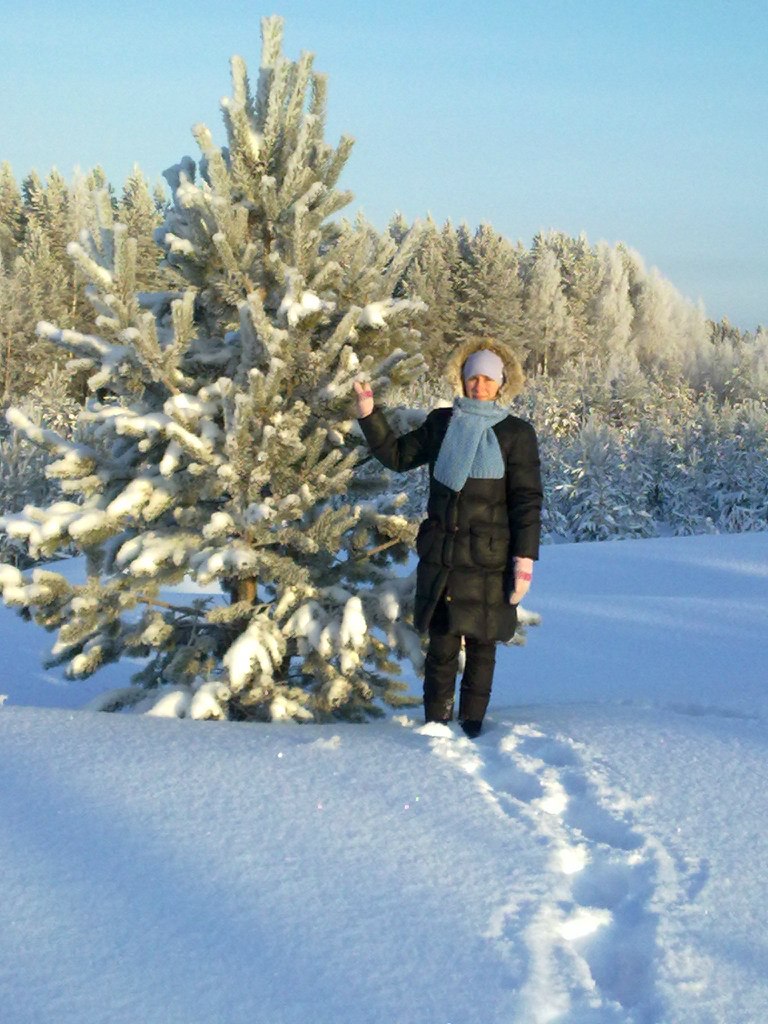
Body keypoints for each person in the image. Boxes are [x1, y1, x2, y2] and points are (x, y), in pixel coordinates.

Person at [354, 339, 542, 738]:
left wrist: (524, 560)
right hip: (444, 556)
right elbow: (398, 456)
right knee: (441, 645)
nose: (479, 386)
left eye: (487, 379)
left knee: (482, 647)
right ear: (462, 380)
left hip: (490, 559)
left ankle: (473, 726)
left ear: (501, 383)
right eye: (473, 378)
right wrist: (370, 415)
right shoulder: (442, 423)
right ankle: (436, 725)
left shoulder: (516, 433)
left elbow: (526, 501)